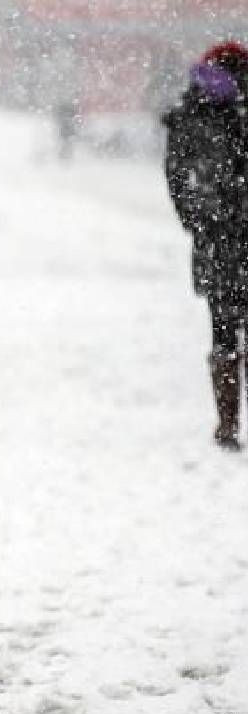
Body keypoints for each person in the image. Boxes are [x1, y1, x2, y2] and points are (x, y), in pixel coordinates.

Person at [163, 41, 248, 451]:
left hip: (217, 243)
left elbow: (177, 178)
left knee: (224, 332)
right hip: (220, 242)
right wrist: (204, 220)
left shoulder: (193, 115)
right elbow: (179, 179)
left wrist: (200, 222)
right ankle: (228, 423)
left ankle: (228, 424)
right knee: (225, 332)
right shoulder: (196, 117)